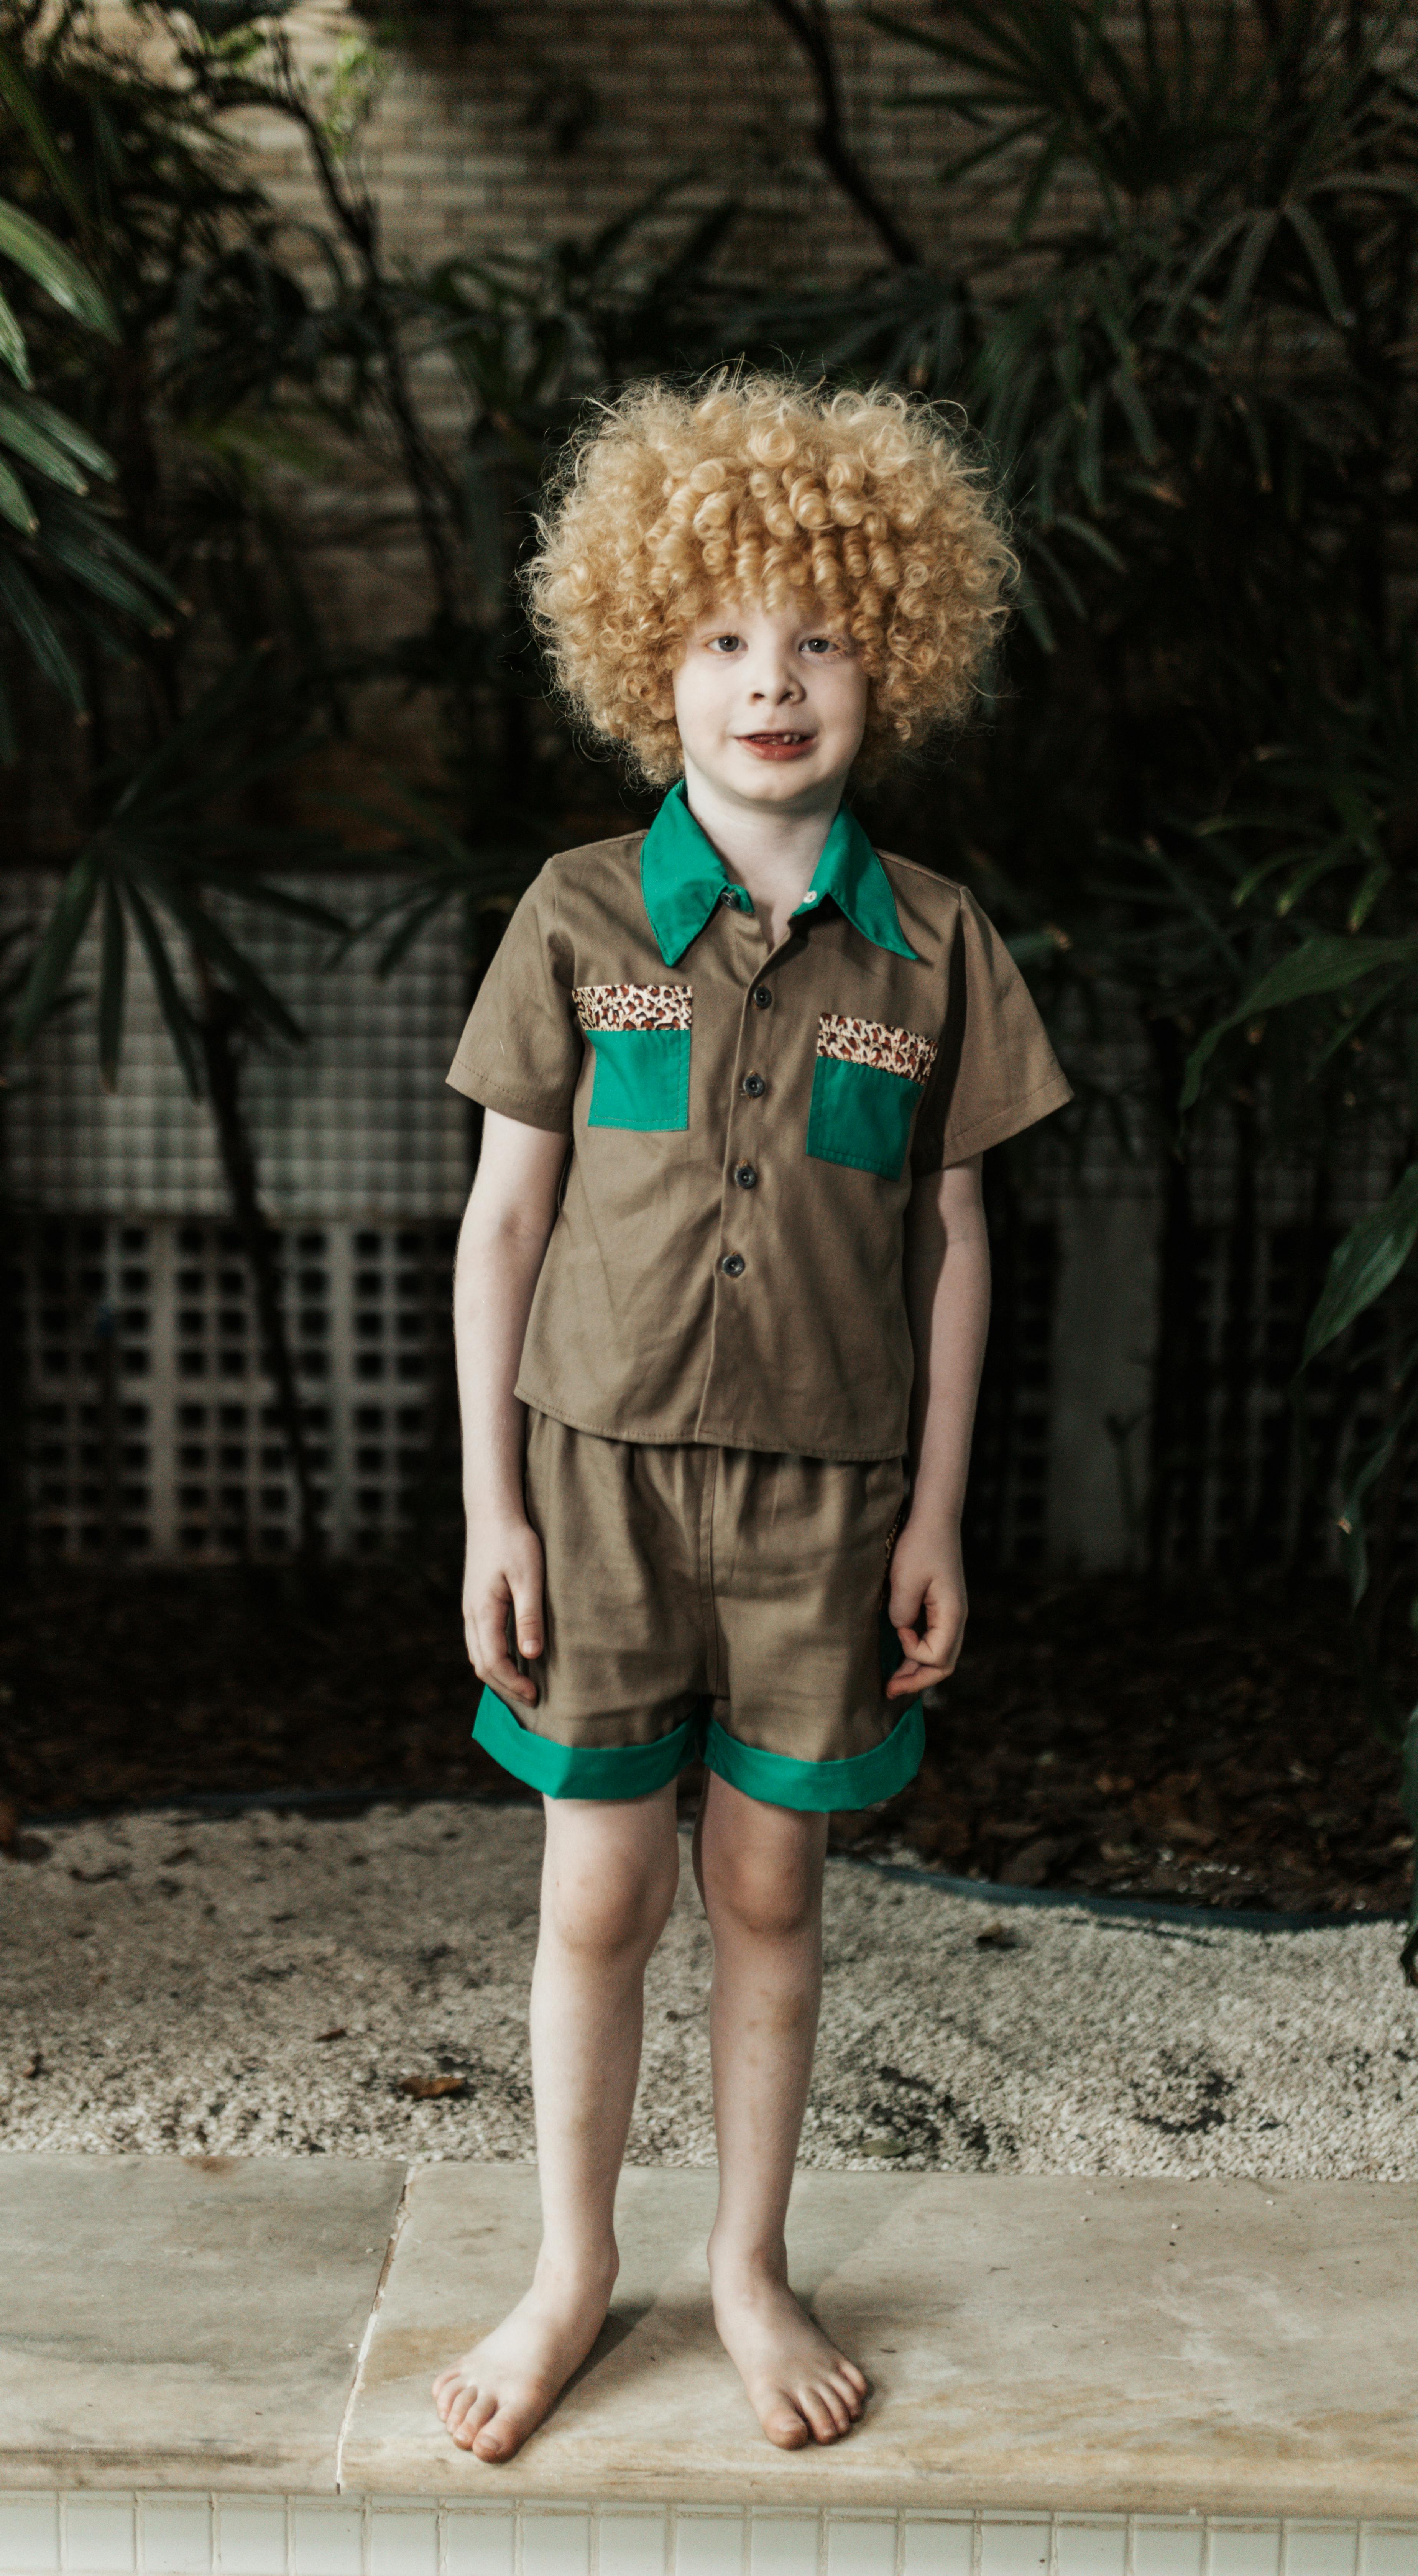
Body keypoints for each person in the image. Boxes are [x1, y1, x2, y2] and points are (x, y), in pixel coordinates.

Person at [435, 373, 1070, 2465]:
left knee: (773, 1895)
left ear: (899, 649)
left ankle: (745, 2261)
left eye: (818, 634)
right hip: (594, 1491)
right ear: (649, 662)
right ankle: (567, 2272)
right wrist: (490, 1517)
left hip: (825, 1508)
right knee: (598, 1897)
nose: (770, 680)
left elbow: (957, 1243)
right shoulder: (578, 918)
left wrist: (938, 1517)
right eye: (720, 635)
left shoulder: (942, 948)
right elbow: (504, 1223)